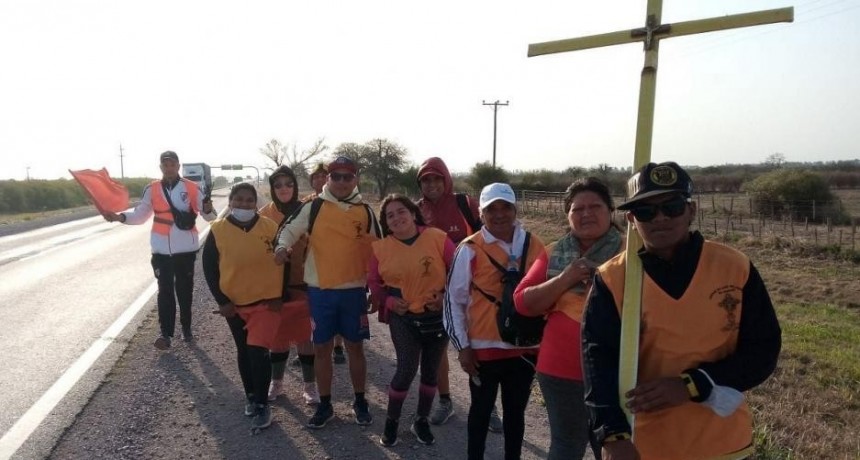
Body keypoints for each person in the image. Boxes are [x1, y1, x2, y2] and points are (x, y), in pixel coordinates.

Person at [582, 162, 782, 460]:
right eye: (646, 211)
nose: (660, 218)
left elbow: (763, 350)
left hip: (724, 443)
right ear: (631, 219)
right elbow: (597, 361)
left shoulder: (734, 266)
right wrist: (612, 435)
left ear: (692, 210)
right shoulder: (613, 278)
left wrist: (691, 384)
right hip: (645, 444)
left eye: (672, 206)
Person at [514, 177, 623, 460]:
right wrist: (566, 277)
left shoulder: (631, 252)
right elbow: (523, 303)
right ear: (568, 215)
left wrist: (605, 287)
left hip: (618, 369)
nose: (586, 213)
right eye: (577, 209)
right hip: (560, 369)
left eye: (595, 206)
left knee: (615, 445)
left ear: (610, 210)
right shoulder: (554, 253)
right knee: (567, 445)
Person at [274, 156, 381, 429]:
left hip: (353, 292)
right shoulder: (314, 206)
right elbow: (288, 230)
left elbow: (381, 250)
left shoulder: (365, 211)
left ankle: (360, 401)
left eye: (348, 176)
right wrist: (281, 248)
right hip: (320, 291)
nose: (342, 181)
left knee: (355, 348)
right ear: (328, 179)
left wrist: (379, 288)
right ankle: (325, 404)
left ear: (356, 179)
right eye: (337, 176)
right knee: (321, 349)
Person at [444, 183, 546, 460]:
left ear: (515, 209)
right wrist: (463, 346)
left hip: (523, 348)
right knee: (480, 412)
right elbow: (454, 300)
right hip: (482, 349)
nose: (499, 214)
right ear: (481, 212)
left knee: (516, 415)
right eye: (492, 209)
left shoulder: (534, 245)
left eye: (505, 207)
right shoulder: (469, 248)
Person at [415, 157, 503, 431]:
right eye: (425, 180)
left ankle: (488, 407)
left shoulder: (466, 204)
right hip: (436, 292)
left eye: (436, 178)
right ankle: (445, 401)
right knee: (437, 351)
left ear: (446, 179)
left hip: (473, 289)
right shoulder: (417, 211)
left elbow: (489, 236)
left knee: (477, 347)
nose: (431, 184)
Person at [368, 194, 457, 447]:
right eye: (390, 215)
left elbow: (458, 272)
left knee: (430, 373)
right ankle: (392, 421)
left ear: (412, 212)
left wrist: (444, 297)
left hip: (437, 317)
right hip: (403, 318)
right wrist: (388, 302)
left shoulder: (437, 238)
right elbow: (374, 283)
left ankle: (421, 420)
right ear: (386, 222)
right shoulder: (381, 248)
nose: (397, 217)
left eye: (401, 211)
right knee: (406, 370)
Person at [103, 150, 215, 350]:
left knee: (184, 291)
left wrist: (207, 208)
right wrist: (120, 217)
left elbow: (210, 217)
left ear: (178, 166)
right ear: (161, 167)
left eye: (172, 165)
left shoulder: (191, 188)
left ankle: (186, 328)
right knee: (164, 291)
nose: (169, 168)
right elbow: (140, 215)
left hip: (185, 250)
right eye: (165, 165)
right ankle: (166, 334)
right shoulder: (152, 189)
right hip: (161, 250)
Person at [202, 183, 284, 431]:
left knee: (258, 350)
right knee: (244, 350)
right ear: (230, 202)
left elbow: (284, 262)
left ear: (256, 202)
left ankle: (262, 403)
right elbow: (209, 268)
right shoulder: (218, 230)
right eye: (239, 200)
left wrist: (279, 295)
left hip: (265, 302)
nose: (244, 204)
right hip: (234, 305)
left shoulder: (270, 228)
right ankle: (250, 395)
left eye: (249, 200)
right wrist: (223, 301)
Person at [258, 166, 319, 406]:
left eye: (289, 184)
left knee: (305, 336)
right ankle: (277, 382)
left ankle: (310, 386)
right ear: (272, 189)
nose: (284, 189)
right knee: (278, 337)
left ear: (295, 186)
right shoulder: (264, 214)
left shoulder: (307, 210)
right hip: (274, 286)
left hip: (304, 282)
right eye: (278, 185)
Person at [304, 162, 347, 365]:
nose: (320, 180)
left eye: (324, 176)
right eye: (316, 177)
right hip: (312, 265)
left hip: (339, 265)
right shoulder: (307, 204)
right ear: (312, 181)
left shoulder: (344, 202)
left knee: (338, 306)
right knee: (314, 310)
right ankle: (310, 348)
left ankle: (338, 346)